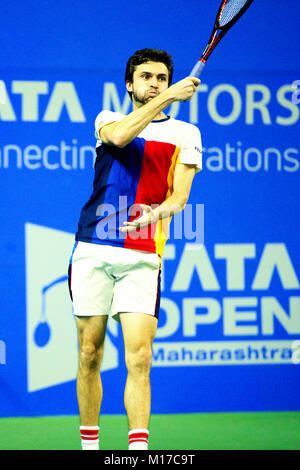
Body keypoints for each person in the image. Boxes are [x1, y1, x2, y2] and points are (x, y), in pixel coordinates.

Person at [68, 48, 202, 450]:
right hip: (93, 247)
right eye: (146, 77)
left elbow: (180, 198)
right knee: (90, 353)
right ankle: (90, 447)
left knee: (140, 357)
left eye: (162, 78)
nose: (154, 84)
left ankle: (138, 452)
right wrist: (169, 98)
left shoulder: (187, 134)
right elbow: (123, 137)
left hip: (144, 255)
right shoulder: (108, 118)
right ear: (130, 84)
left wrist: (157, 213)